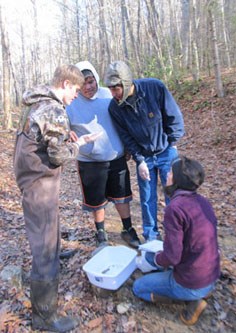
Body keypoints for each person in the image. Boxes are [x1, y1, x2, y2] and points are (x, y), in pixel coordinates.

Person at [13, 65, 100, 332]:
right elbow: (58, 156)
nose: (77, 95)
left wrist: (66, 137)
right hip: (39, 184)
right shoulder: (53, 110)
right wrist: (80, 143)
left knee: (51, 228)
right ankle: (44, 316)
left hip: (34, 180)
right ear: (65, 84)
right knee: (44, 249)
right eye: (75, 89)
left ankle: (56, 251)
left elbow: (44, 141)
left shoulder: (36, 103)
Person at [133, 156, 221, 325]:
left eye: (171, 174)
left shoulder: (175, 208)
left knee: (138, 287)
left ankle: (189, 301)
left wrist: (157, 259)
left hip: (191, 281)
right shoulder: (203, 201)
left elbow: (172, 257)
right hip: (211, 274)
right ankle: (200, 291)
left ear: (177, 181)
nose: (167, 176)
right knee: (155, 258)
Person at [104, 60, 185, 241]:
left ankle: (177, 236)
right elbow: (125, 136)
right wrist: (139, 159)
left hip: (166, 151)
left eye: (116, 88)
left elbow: (173, 116)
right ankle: (151, 237)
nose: (113, 93)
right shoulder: (114, 107)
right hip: (144, 156)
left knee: (174, 195)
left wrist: (172, 143)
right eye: (110, 88)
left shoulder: (154, 88)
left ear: (126, 83)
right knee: (147, 198)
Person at [66, 61, 141, 250]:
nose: (88, 87)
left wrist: (127, 146)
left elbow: (124, 121)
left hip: (115, 155)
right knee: (96, 199)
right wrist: (66, 132)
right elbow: (61, 125)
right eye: (82, 83)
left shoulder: (109, 95)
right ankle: (101, 232)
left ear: (96, 79)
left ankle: (128, 228)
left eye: (90, 81)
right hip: (89, 160)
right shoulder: (71, 102)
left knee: (122, 195)